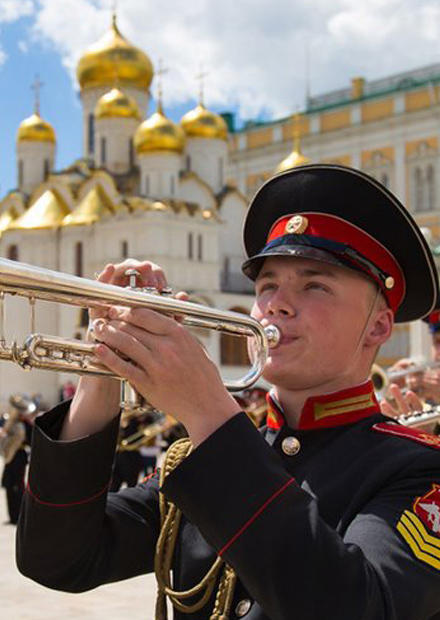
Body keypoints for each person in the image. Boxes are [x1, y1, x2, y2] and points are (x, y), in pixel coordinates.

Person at [16, 164, 440, 619]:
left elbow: (357, 607)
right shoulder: (209, 457)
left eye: (314, 284)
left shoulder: (418, 470)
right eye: (268, 285)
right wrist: (104, 367)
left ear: (377, 326)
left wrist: (207, 410)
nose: (276, 302)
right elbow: (58, 559)